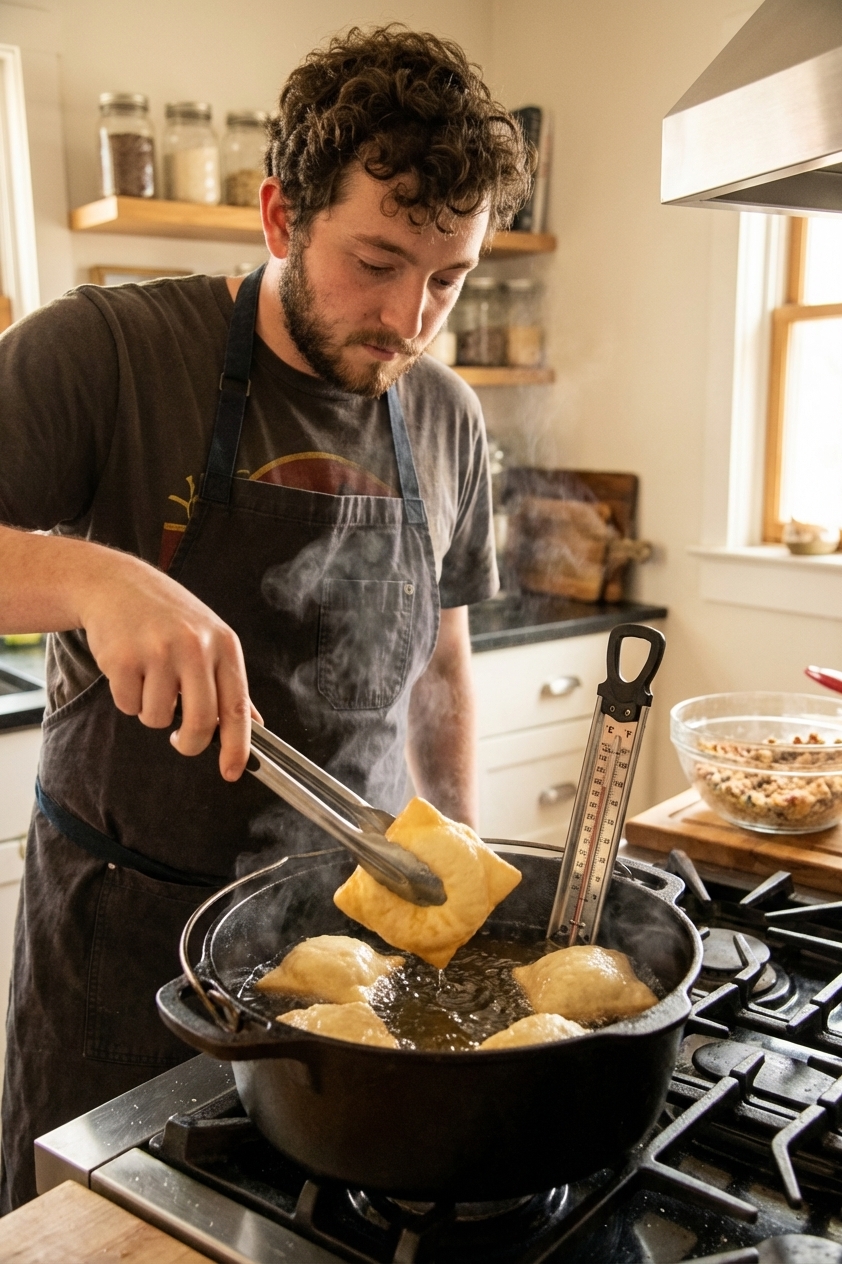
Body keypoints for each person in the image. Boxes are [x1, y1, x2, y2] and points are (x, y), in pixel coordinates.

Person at [0, 25, 531, 1210]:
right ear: (281, 216)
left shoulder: (444, 415)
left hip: (350, 956)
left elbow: (441, 667)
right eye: (377, 260)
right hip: (124, 954)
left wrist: (457, 887)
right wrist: (96, 580)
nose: (411, 316)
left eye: (449, 276)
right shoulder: (108, 352)